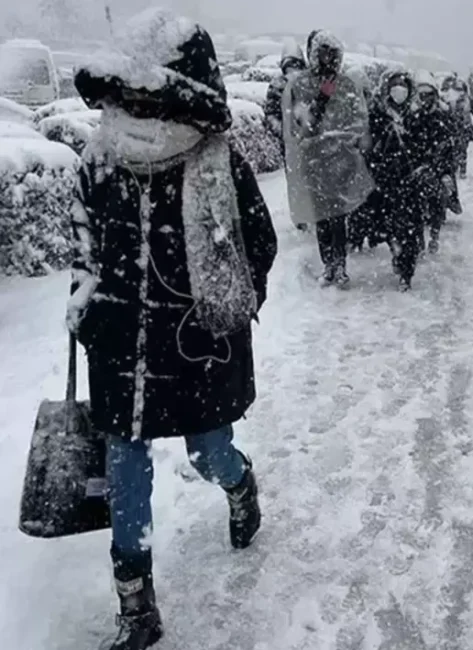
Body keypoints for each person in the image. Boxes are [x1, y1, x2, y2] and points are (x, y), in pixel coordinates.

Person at [67, 9, 277, 649]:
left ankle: (239, 483)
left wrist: (223, 304)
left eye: (150, 95)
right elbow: (82, 247)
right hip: (120, 348)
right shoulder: (99, 159)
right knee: (126, 470)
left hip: (197, 347)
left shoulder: (218, 162)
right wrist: (88, 307)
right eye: (129, 95)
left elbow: (259, 244)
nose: (138, 108)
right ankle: (136, 605)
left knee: (207, 452)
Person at [282, 30, 374, 287]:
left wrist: (349, 141)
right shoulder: (300, 85)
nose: (327, 60)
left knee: (338, 216)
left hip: (341, 161)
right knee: (321, 216)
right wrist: (321, 99)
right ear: (313, 55)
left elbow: (360, 120)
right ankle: (328, 264)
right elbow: (300, 126)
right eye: (322, 54)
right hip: (314, 161)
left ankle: (340, 265)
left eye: (332, 54)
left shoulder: (347, 85)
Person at [369, 70, 426, 290]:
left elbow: (424, 144)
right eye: (394, 87)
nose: (398, 91)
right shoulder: (379, 114)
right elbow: (371, 145)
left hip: (411, 179)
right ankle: (396, 250)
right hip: (386, 179)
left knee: (411, 227)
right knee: (389, 225)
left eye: (402, 87)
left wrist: (421, 166)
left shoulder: (417, 115)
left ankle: (406, 271)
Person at [410, 74, 458, 254]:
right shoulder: (413, 117)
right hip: (418, 168)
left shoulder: (442, 116)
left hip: (438, 167)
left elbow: (448, 146)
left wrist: (443, 170)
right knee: (415, 205)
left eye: (428, 95)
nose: (425, 99)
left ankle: (434, 235)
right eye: (421, 95)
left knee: (437, 202)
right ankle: (419, 240)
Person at [441, 74, 473, 178]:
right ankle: (454, 167)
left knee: (462, 149)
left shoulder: (469, 100)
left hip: (465, 129)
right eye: (457, 90)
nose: (460, 93)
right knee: (452, 149)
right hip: (452, 129)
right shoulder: (449, 101)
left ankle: (462, 170)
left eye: (461, 90)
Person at [263, 38, 307, 146]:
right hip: (291, 141)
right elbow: (271, 115)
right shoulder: (278, 85)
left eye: (295, 66)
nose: (293, 72)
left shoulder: (307, 84)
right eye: (290, 67)